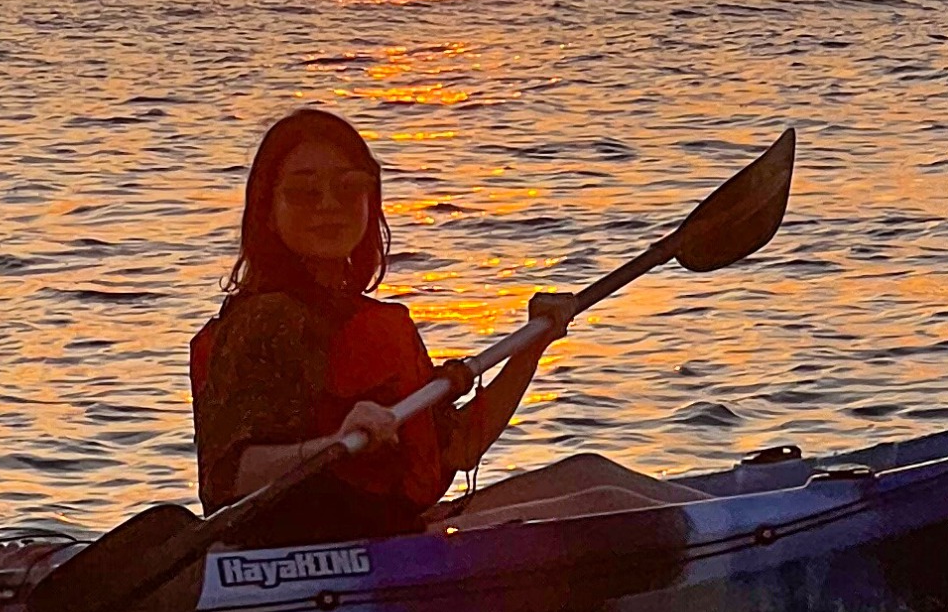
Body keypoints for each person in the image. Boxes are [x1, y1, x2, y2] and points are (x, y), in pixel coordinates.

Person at [189, 108, 703, 548]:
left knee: (593, 473)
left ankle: (768, 517)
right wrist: (331, 443)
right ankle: (751, 542)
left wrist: (532, 347)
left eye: (349, 188)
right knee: (612, 505)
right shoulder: (266, 319)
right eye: (304, 193)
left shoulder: (359, 316)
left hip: (395, 533)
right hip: (332, 556)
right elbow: (229, 476)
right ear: (268, 210)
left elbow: (458, 448)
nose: (328, 206)